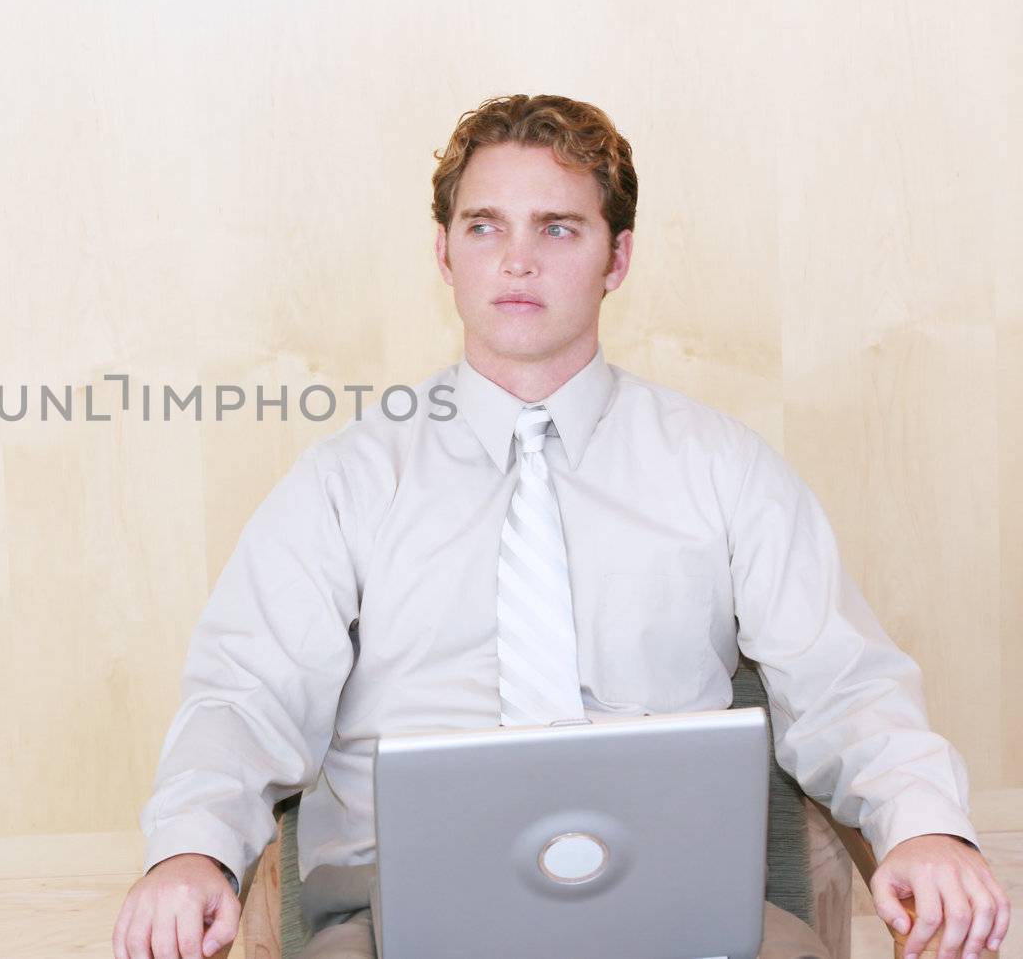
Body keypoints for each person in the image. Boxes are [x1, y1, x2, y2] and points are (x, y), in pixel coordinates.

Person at [111, 94, 1011, 959]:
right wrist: (190, 850)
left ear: (617, 258)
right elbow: (243, 696)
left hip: (684, 914)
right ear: (444, 251)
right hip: (401, 921)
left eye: (558, 228)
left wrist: (927, 825)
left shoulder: (722, 468)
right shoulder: (347, 479)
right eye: (484, 225)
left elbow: (845, 683)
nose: (516, 260)